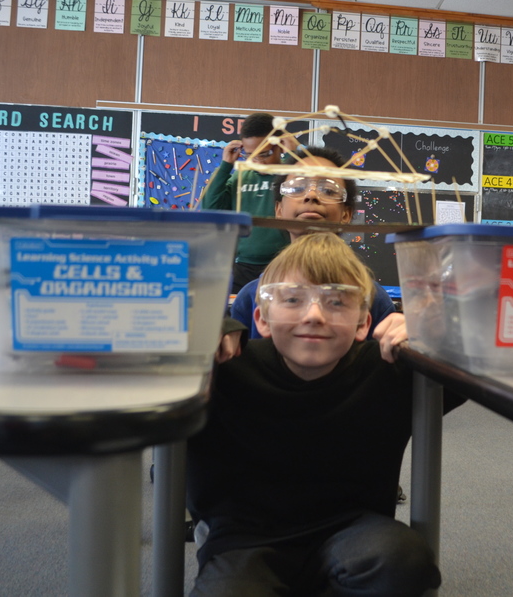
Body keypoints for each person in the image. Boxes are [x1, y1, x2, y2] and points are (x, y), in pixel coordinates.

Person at [187, 232, 462, 596]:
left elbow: (478, 369)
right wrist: (201, 335)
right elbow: (143, 355)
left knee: (404, 560)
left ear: (364, 323)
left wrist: (433, 338)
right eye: (292, 299)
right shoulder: (229, 369)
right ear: (262, 318)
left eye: (336, 301)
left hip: (354, 529)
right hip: (243, 538)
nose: (314, 315)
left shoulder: (387, 370)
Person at [229, 146, 403, 346]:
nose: (311, 195)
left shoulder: (373, 298)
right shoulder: (252, 297)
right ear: (279, 209)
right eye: (297, 188)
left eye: (328, 190)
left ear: (346, 214)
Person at [201, 112, 296, 293]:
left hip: (282, 264)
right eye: (250, 155)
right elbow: (210, 208)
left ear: (280, 146)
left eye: (265, 154)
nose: (258, 161)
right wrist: (225, 165)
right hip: (243, 267)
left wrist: (294, 156)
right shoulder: (241, 175)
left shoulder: (291, 173)